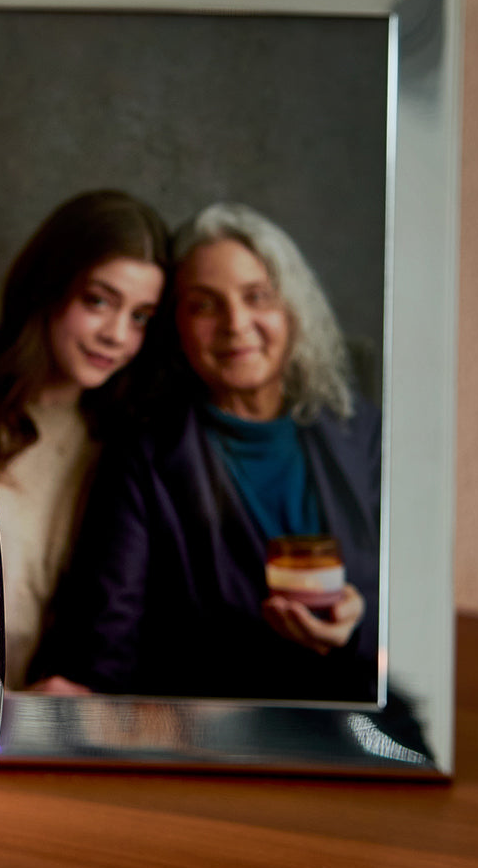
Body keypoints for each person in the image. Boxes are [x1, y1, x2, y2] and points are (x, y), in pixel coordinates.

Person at [31, 202, 381, 703]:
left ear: (292, 309)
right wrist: (83, 698)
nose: (236, 324)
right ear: (176, 328)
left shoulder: (364, 434)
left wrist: (358, 629)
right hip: (215, 738)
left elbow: (416, 622)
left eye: (257, 297)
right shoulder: (143, 455)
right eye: (204, 305)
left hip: (360, 730)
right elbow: (108, 636)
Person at [0, 188, 168, 689]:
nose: (117, 335)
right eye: (99, 301)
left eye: (140, 316)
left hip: (55, 725)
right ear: (48, 286)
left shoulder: (118, 442)